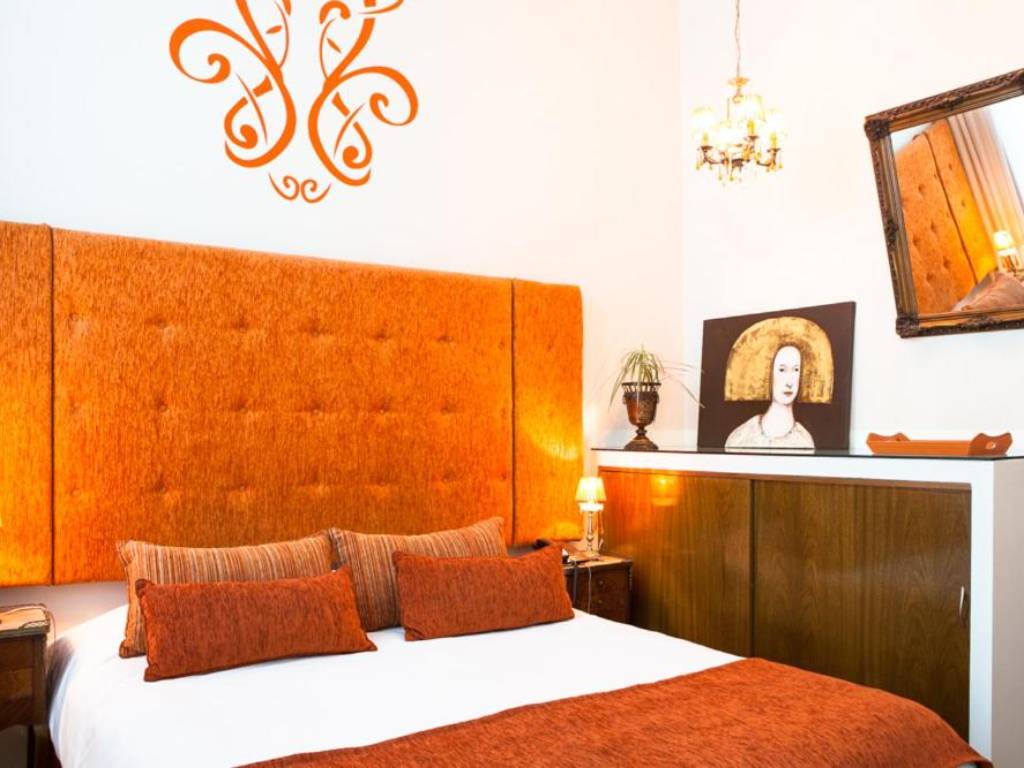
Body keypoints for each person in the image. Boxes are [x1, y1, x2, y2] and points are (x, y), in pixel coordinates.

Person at [725, 344, 814, 449]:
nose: (789, 383)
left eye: (796, 370)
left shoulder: (804, 442)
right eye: (782, 370)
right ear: (768, 373)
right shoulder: (741, 437)